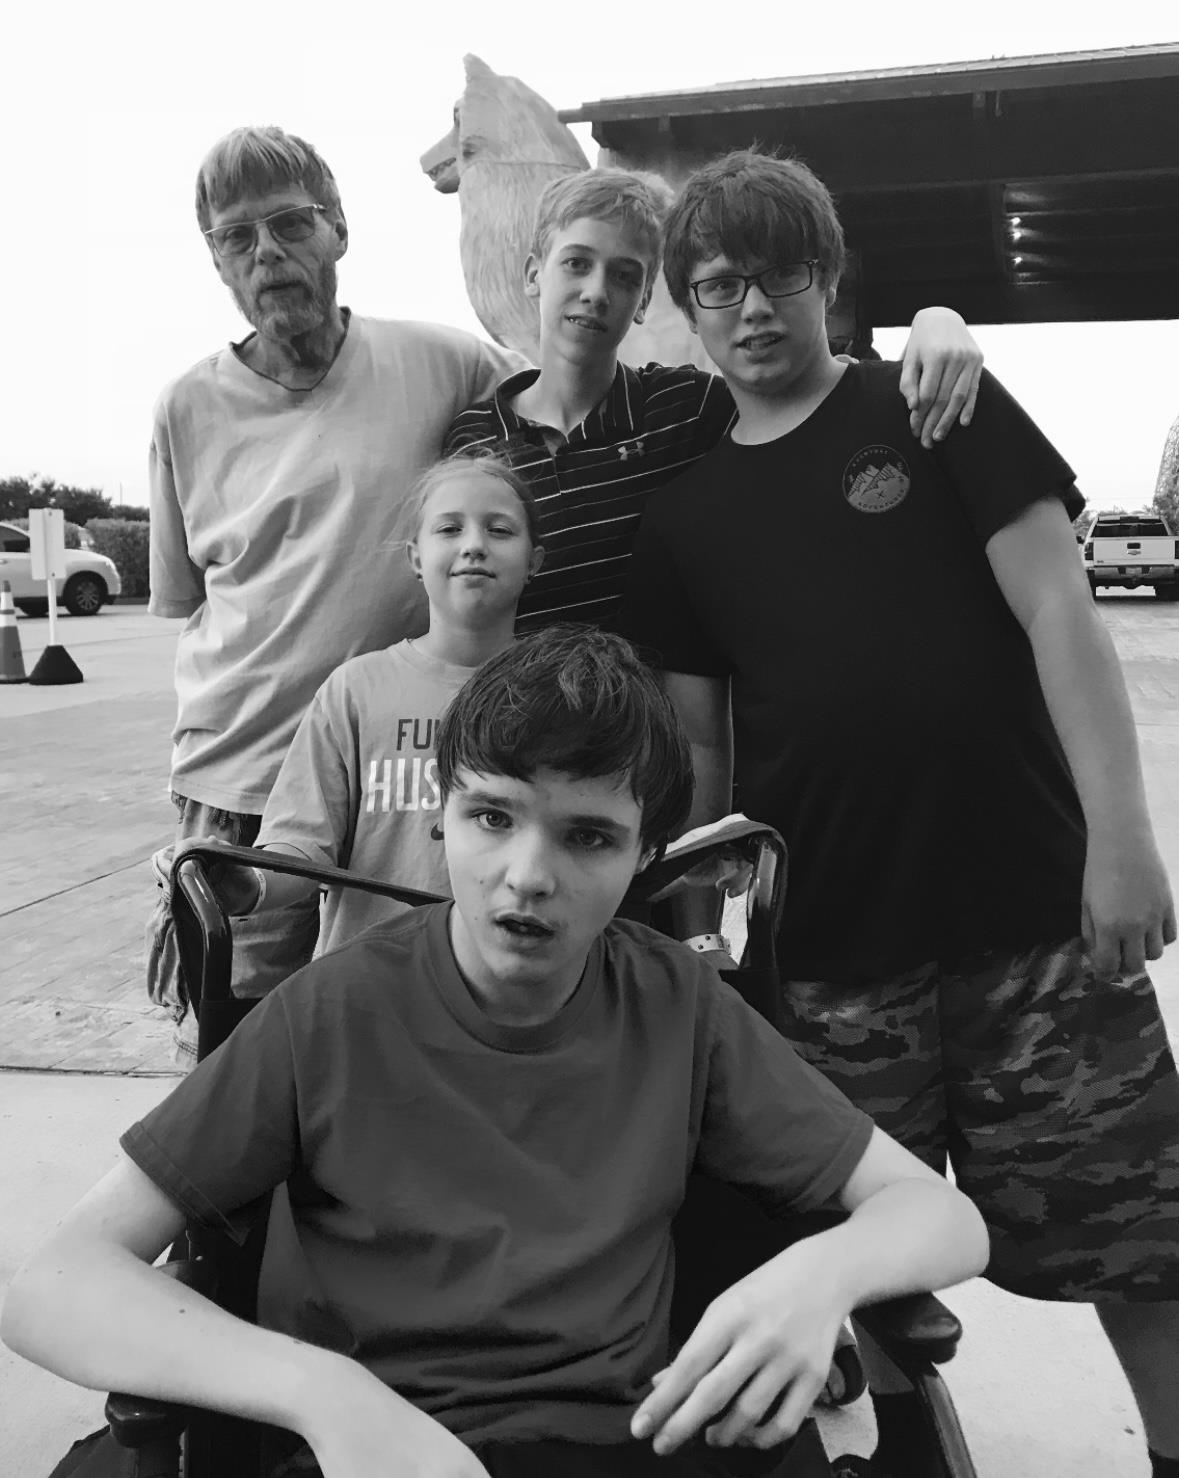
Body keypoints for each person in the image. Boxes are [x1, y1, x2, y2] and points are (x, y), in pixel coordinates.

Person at [1, 628, 989, 1478]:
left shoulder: (679, 1007)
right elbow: (54, 1284)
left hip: (612, 1446)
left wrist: (819, 1277)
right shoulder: (331, 1013)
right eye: (492, 816)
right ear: (440, 817)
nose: (527, 874)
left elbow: (941, 1215)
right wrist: (323, 1393)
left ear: (644, 859)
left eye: (588, 837)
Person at [619, 148, 1179, 1478]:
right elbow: (703, 749)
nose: (753, 309)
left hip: (1034, 921)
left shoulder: (939, 410)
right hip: (824, 955)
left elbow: (1062, 614)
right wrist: (705, 952)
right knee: (847, 1265)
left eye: (780, 275)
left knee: (1140, 1239)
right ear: (687, 309)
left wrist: (1123, 841)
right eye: (718, 284)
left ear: (828, 278)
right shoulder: (684, 516)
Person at [145, 125, 522, 1054]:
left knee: (402, 1053)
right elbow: (190, 602)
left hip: (402, 783)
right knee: (241, 1060)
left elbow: (561, 413)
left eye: (291, 223)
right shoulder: (185, 409)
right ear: (216, 261)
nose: (267, 252)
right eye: (236, 236)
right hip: (243, 787)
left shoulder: (448, 364)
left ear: (339, 230)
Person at [443, 168, 984, 633]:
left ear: (644, 300)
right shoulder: (474, 439)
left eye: (625, 275)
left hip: (654, 716)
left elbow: (810, 395)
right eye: (577, 263)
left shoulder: (685, 408)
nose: (596, 291)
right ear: (533, 275)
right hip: (510, 715)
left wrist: (936, 320)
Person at [211, 451, 543, 955]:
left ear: (534, 560)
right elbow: (302, 847)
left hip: (513, 985)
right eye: (449, 529)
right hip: (368, 983)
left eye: (499, 530)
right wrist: (246, 884)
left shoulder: (562, 695)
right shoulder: (354, 691)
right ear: (415, 557)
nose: (474, 545)